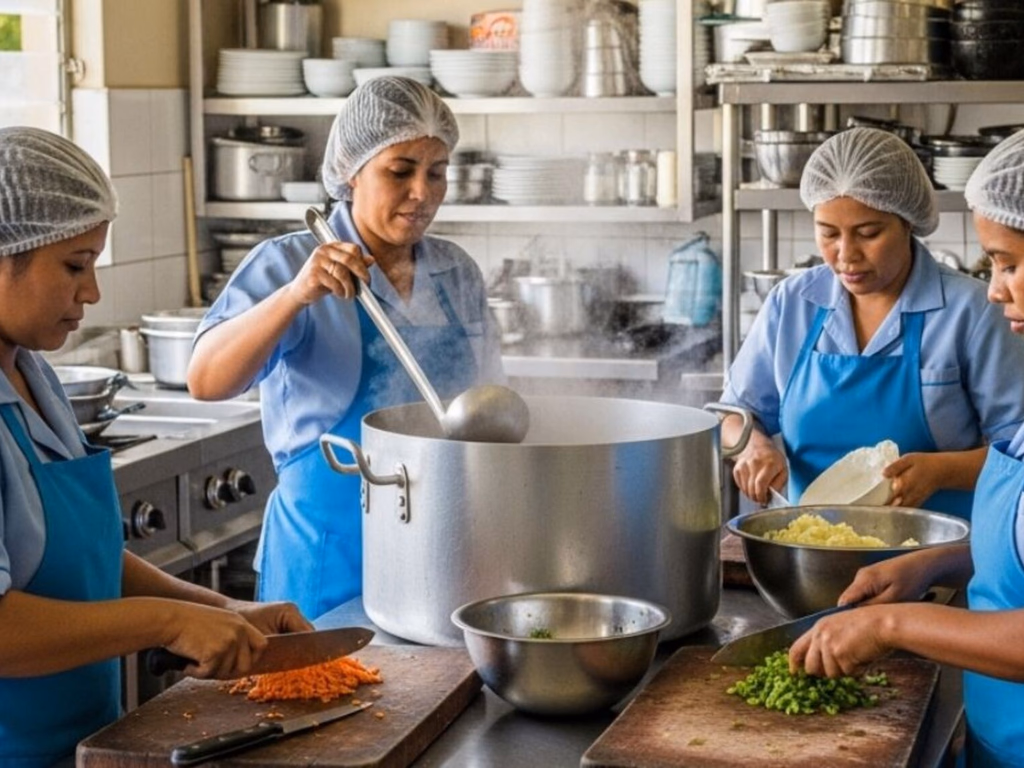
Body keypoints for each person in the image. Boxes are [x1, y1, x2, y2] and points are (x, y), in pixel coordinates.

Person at [0, 126, 311, 768]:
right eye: (74, 266)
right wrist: (166, 624)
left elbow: (86, 560)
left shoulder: (33, 374)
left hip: (81, 744)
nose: (91, 293)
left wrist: (225, 608)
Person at [187, 77, 505, 621]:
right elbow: (207, 380)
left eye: (436, 172)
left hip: (442, 550)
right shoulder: (288, 264)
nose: (422, 192)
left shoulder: (456, 273)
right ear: (350, 173)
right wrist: (295, 297)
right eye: (400, 171)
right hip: (325, 559)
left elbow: (490, 410)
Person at [789, 128, 1024, 768]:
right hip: (999, 736)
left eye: (1008, 264)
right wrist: (937, 565)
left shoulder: (966, 313)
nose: (997, 289)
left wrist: (889, 625)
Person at [719, 127, 1024, 518]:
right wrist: (754, 447)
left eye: (868, 233)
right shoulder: (792, 303)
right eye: (828, 233)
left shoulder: (973, 310)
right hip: (812, 549)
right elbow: (735, 413)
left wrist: (943, 471)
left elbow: (1016, 450)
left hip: (938, 557)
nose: (846, 255)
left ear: (908, 223)